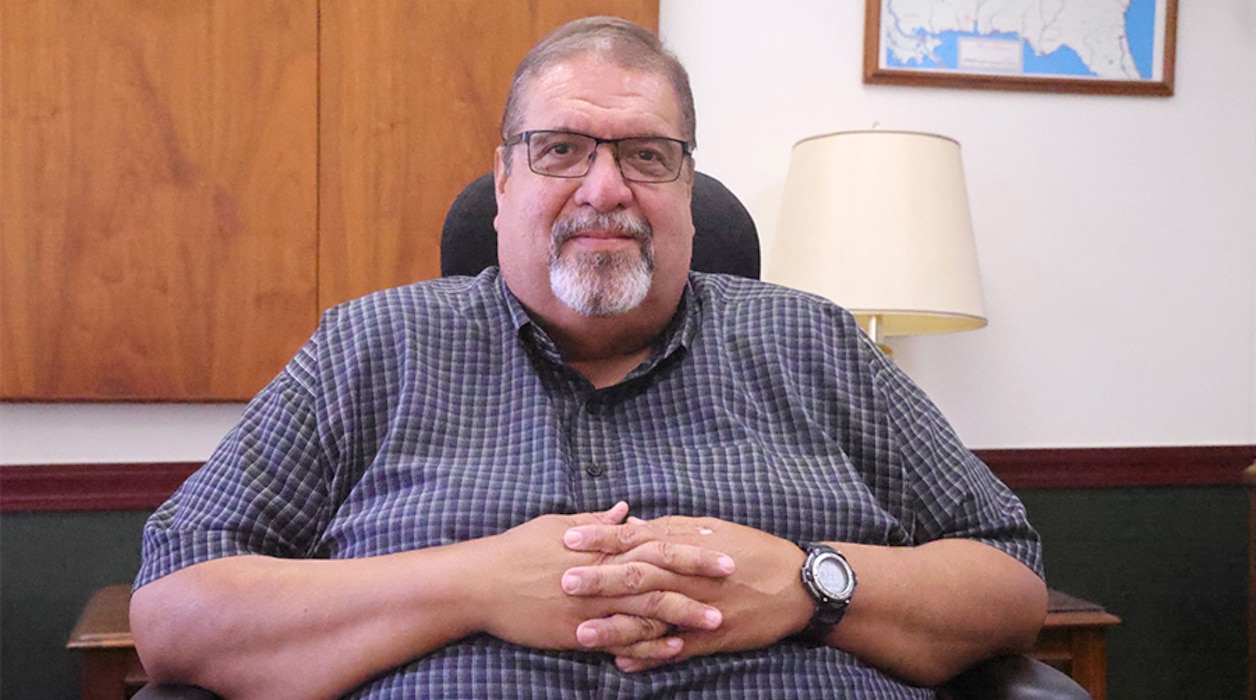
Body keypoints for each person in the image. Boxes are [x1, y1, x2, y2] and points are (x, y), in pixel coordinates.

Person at [130, 16, 1047, 700]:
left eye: (647, 155)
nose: (604, 189)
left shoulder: (816, 343)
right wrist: (473, 583)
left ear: (689, 190)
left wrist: (810, 585)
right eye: (561, 149)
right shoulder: (371, 348)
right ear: (503, 183)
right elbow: (175, 608)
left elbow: (1009, 579)